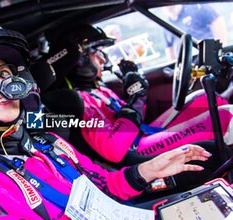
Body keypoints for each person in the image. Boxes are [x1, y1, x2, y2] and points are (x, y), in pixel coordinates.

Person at [0, 21, 225, 220]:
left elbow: (104, 185)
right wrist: (134, 103)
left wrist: (146, 168)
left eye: (6, 73)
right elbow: (116, 143)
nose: (5, 85)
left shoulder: (46, 141)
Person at [44, 24, 233, 164]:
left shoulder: (96, 89)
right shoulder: (78, 102)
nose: (103, 59)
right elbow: (114, 150)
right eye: (97, 52)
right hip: (135, 151)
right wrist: (136, 98)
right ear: (81, 61)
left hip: (139, 134)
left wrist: (132, 89)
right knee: (226, 116)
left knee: (202, 99)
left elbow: (126, 118)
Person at [162, 4, 228, 60]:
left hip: (207, 57)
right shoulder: (165, 24)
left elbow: (217, 21)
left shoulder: (196, 7)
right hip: (187, 64)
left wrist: (220, 50)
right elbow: (169, 49)